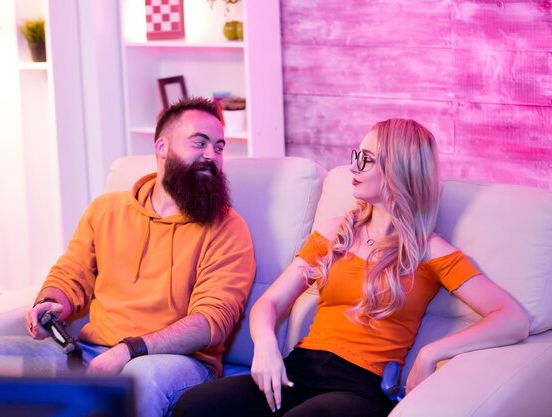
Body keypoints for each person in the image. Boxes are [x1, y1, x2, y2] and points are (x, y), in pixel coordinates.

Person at [172, 118, 530, 417]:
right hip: (299, 369)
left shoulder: (429, 251)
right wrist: (265, 344)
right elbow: (270, 303)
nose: (354, 168)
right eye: (357, 155)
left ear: (398, 171)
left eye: (368, 160)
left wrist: (432, 352)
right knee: (196, 405)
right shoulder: (335, 232)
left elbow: (512, 319)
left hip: (360, 388)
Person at [0, 97, 256, 417]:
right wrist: (51, 301)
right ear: (162, 147)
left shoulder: (228, 227)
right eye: (199, 143)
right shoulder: (106, 209)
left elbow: (211, 322)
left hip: (179, 361)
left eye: (219, 147)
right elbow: (73, 272)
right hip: (90, 351)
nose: (212, 156)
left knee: (139, 379)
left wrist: (128, 351)